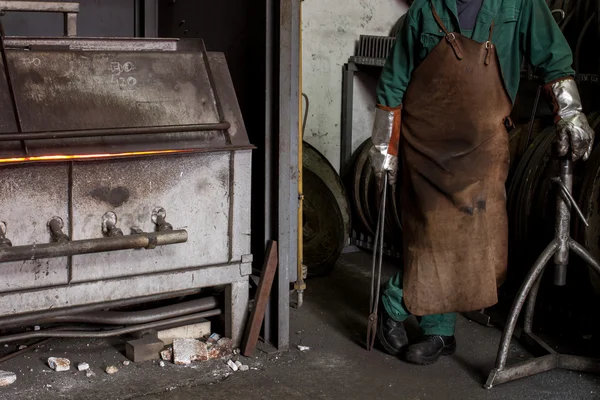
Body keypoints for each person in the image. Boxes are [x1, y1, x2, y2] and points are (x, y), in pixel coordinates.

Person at [369, 0, 594, 365]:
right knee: (432, 236)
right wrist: (383, 149)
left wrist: (570, 111)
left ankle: (398, 302)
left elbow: (551, 53)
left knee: (478, 245)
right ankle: (434, 329)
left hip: (483, 148)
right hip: (426, 146)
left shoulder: (518, 4)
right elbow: (394, 82)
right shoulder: (425, 10)